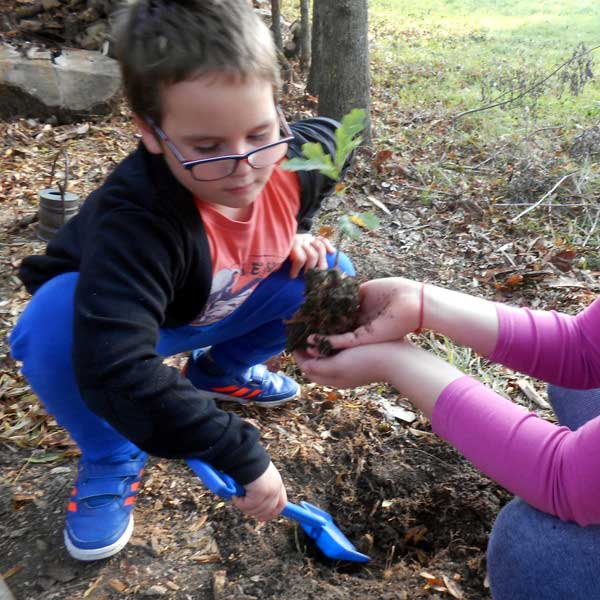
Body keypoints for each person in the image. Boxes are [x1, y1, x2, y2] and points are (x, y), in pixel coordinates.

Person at [294, 0, 600, 597]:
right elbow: (586, 350)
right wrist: (424, 303)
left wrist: (398, 361)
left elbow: (567, 480)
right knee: (591, 385)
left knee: (545, 548)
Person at [8, 0, 354, 562]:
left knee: (329, 272)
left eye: (260, 132)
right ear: (151, 133)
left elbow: (340, 139)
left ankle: (221, 372)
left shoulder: (299, 159)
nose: (244, 166)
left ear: (276, 106)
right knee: (50, 324)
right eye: (206, 147)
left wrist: (294, 228)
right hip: (128, 325)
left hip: (224, 297)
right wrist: (237, 452)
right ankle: (110, 451)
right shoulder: (139, 221)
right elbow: (115, 365)